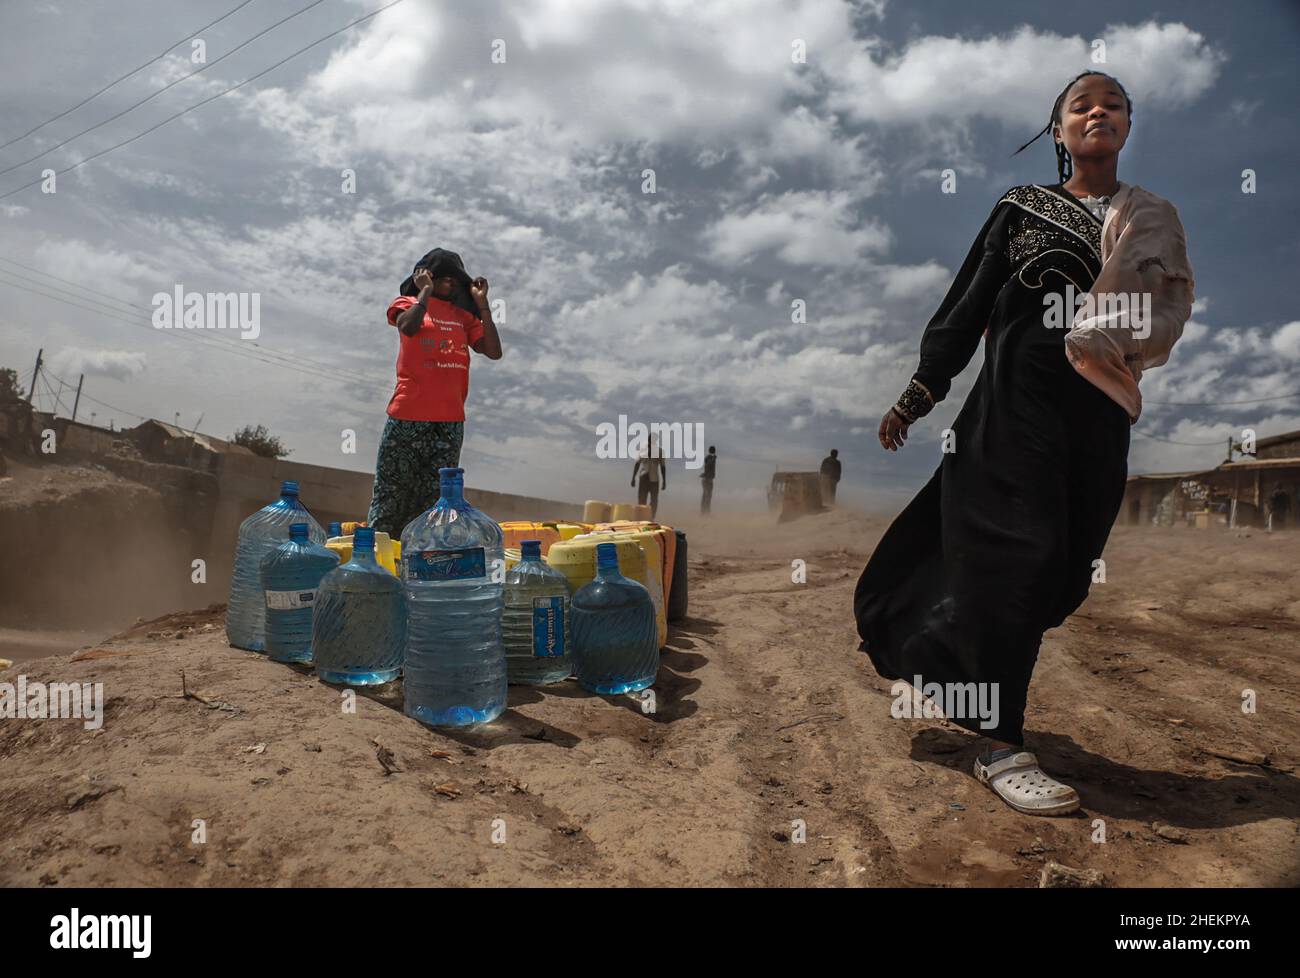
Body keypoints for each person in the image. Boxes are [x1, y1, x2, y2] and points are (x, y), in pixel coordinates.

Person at [854, 72, 1193, 817]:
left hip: (1102, 412)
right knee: (1018, 557)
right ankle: (1000, 742)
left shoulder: (1154, 217)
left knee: (1064, 569)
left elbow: (1167, 307)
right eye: (1081, 105)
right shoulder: (1022, 209)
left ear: (1127, 126)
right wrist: (919, 393)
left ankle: (946, 661)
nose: (1097, 111)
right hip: (1015, 408)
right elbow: (967, 305)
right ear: (1060, 130)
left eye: (1112, 104)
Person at [367, 248, 502, 538]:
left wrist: (482, 305)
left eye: (456, 279)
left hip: (449, 424)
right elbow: (408, 327)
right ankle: (378, 566)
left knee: (433, 508)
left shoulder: (464, 317)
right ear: (425, 275)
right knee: (391, 495)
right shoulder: (407, 303)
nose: (451, 283)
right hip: (408, 416)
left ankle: (417, 569)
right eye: (444, 277)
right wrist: (424, 294)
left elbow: (493, 351)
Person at [631, 438, 667, 518]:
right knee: (641, 499)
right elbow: (637, 464)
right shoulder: (642, 451)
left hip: (654, 479)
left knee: (654, 500)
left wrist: (664, 481)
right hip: (643, 477)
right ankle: (640, 518)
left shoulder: (660, 451)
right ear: (648, 440)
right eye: (650, 440)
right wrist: (633, 478)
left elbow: (663, 467)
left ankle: (651, 518)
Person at [700, 445, 717, 514]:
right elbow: (707, 466)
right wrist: (713, 459)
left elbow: (707, 467)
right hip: (707, 480)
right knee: (707, 496)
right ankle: (705, 513)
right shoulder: (709, 458)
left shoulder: (710, 458)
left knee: (706, 496)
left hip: (708, 479)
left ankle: (705, 512)